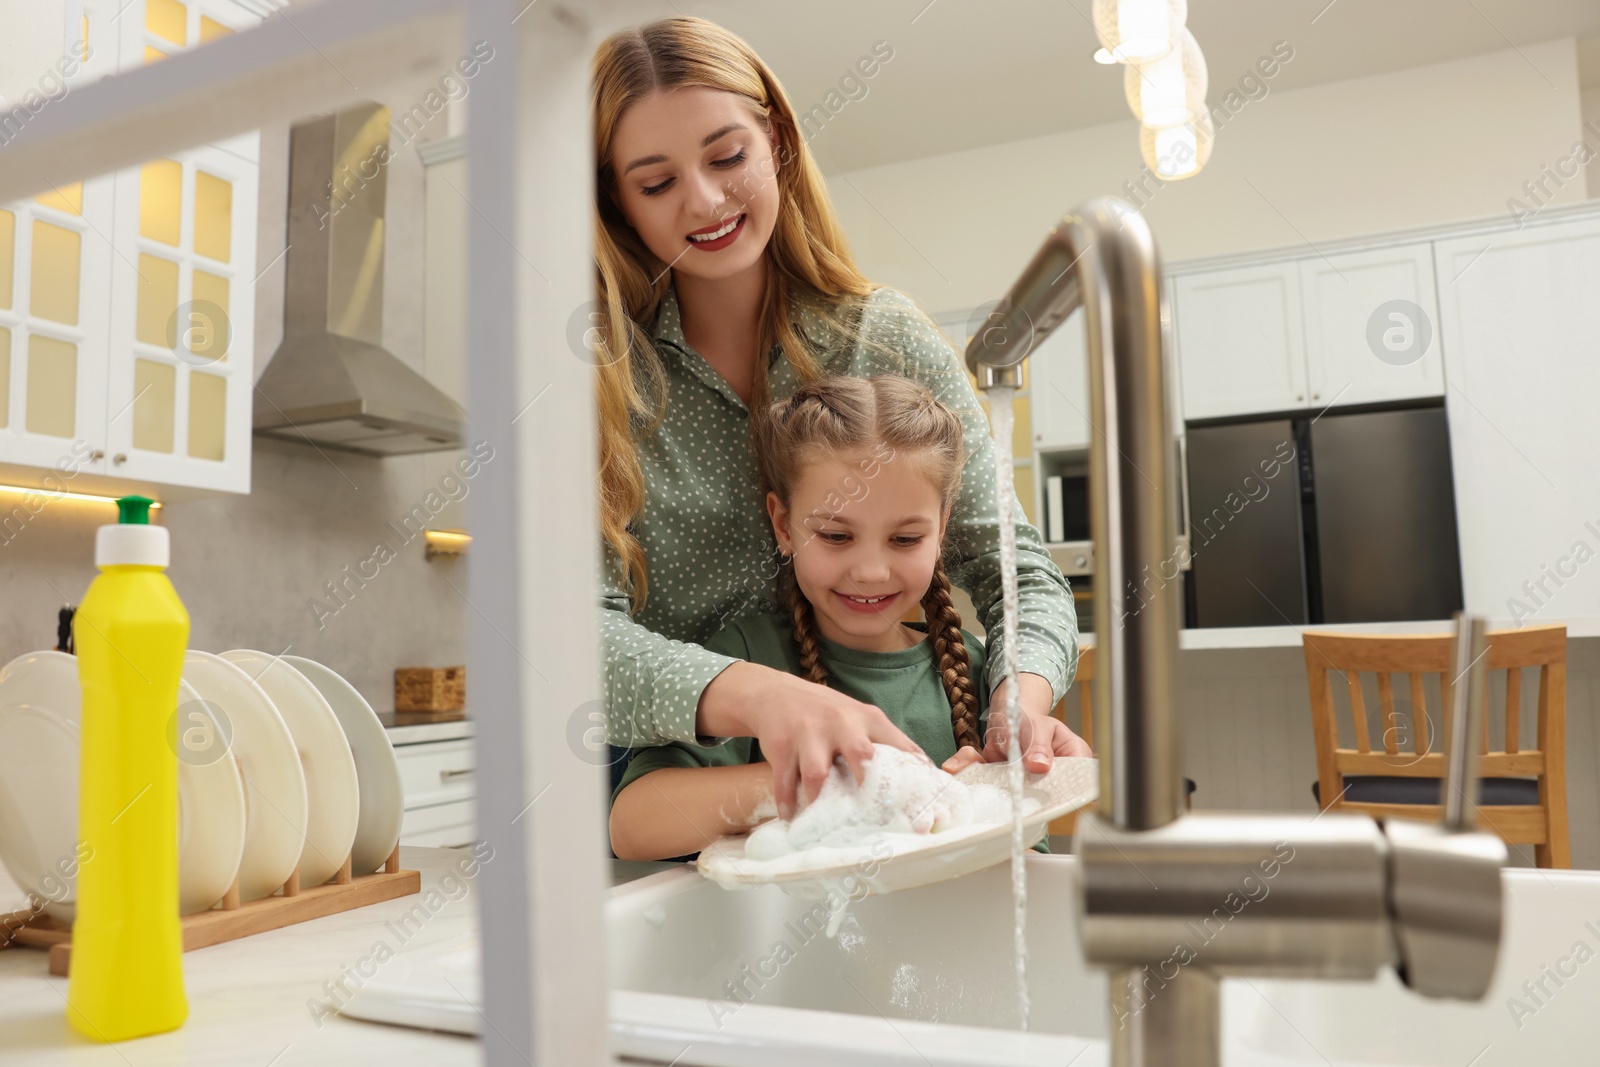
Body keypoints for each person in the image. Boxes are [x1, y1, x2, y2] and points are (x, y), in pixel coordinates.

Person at [591, 16, 1088, 820]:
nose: (706, 200)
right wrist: (759, 698)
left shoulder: (883, 336)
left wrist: (1018, 697)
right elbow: (574, 641)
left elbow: (1015, 571)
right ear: (618, 201)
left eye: (727, 157)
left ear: (778, 142)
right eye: (656, 182)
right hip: (670, 790)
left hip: (869, 783)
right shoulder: (599, 387)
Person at [611, 376, 1065, 860]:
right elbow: (634, 826)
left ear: (943, 527)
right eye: (834, 536)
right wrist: (835, 790)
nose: (870, 572)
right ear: (784, 526)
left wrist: (990, 796)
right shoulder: (747, 658)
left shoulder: (974, 670)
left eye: (906, 539)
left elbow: (1028, 864)